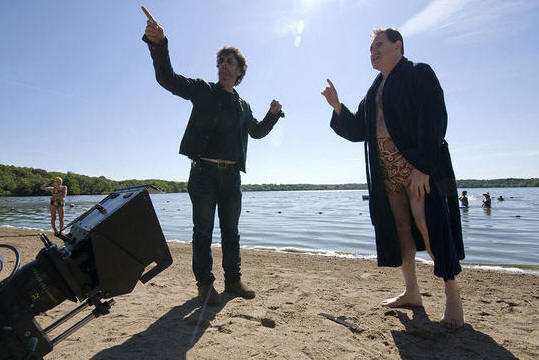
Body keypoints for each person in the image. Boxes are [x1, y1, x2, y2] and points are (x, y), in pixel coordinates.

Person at [322, 28, 464, 329]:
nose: (373, 52)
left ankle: (453, 296)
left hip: (418, 169)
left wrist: (424, 166)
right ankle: (412, 291)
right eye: (370, 48)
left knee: (429, 225)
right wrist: (337, 106)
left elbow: (435, 117)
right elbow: (359, 130)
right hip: (387, 173)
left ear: (397, 45)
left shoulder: (418, 72)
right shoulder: (375, 88)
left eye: (379, 46)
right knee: (401, 228)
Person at [141, 6, 283, 306]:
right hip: (203, 173)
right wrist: (158, 45)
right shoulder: (203, 90)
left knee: (231, 232)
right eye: (220, 61)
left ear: (240, 70)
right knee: (202, 231)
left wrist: (273, 116)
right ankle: (205, 285)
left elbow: (256, 133)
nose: (223, 64)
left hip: (232, 178)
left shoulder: (243, 106)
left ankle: (233, 281)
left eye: (229, 61)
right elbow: (167, 78)